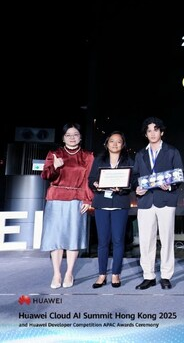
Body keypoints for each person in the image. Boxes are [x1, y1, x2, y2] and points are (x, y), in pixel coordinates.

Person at [40, 123, 94, 289]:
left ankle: (69, 272)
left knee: (73, 237)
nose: (72, 137)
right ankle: (56, 274)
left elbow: (89, 179)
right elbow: (45, 175)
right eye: (68, 135)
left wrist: (88, 199)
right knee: (55, 238)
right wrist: (55, 167)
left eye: (75, 134)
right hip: (55, 198)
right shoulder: (55, 154)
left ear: (80, 137)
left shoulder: (87, 156)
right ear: (63, 138)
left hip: (77, 199)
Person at [133, 117, 184, 290]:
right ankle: (148, 276)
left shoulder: (172, 151)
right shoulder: (140, 154)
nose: (153, 133)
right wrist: (136, 188)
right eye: (149, 131)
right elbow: (134, 176)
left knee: (167, 240)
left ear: (161, 132)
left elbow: (180, 174)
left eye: (156, 130)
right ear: (145, 134)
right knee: (146, 241)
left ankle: (166, 276)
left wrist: (170, 186)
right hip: (145, 201)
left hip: (166, 200)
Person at [88, 131, 135, 288]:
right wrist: (95, 184)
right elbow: (90, 179)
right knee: (102, 241)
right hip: (102, 203)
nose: (115, 144)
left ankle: (116, 274)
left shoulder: (129, 161)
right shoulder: (99, 160)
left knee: (118, 240)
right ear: (107, 143)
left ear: (123, 144)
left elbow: (133, 182)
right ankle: (102, 275)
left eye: (118, 141)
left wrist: (122, 188)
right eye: (112, 141)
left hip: (120, 203)